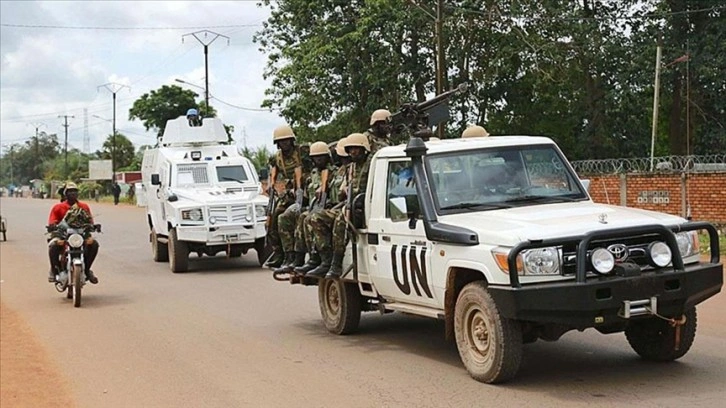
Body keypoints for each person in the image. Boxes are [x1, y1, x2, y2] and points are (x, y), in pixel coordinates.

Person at [308, 133, 372, 279]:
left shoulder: (371, 163)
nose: (353, 152)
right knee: (315, 218)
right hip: (348, 204)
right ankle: (325, 260)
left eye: (357, 149)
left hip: (365, 207)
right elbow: (343, 191)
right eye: (351, 149)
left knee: (340, 220)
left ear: (364, 149)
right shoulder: (350, 168)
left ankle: (336, 264)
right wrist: (344, 190)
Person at [273, 141, 335, 274]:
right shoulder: (311, 174)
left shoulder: (333, 172)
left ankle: (315, 258)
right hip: (311, 205)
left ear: (327, 157)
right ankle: (292, 256)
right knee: (283, 218)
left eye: (322, 157)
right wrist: (295, 192)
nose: (318, 160)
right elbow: (306, 195)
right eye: (316, 157)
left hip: (327, 207)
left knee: (305, 218)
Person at [303, 136, 350, 277]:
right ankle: (315, 257)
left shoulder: (337, 171)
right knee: (307, 218)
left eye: (321, 157)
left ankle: (333, 263)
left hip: (349, 207)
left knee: (336, 220)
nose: (318, 160)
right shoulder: (340, 171)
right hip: (334, 205)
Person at [264, 124, 304, 268]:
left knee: (284, 219)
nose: (284, 143)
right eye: (281, 141)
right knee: (271, 220)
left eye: (287, 140)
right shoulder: (276, 157)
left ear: (292, 140)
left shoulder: (302, 151)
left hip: (305, 191)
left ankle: (291, 255)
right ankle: (279, 253)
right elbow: (273, 172)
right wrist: (271, 185)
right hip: (289, 193)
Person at [47, 182, 100, 284]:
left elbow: (89, 222)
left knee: (94, 244)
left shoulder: (83, 206)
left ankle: (87, 270)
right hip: (62, 235)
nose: (72, 194)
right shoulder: (58, 207)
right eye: (70, 191)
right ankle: (54, 270)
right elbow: (52, 221)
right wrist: (53, 226)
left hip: (80, 236)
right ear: (65, 194)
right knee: (53, 245)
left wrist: (94, 226)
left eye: (75, 191)